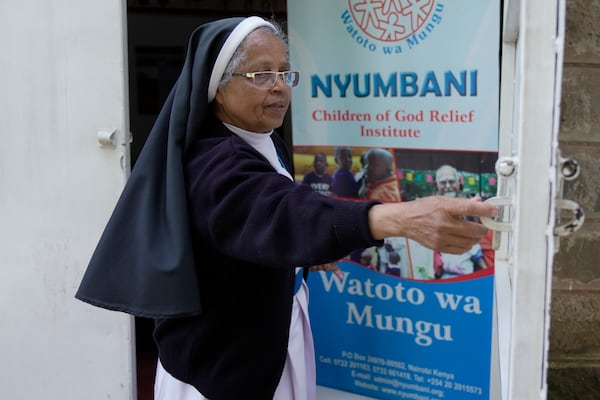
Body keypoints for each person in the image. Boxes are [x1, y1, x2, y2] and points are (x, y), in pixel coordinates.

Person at [75, 16, 497, 400]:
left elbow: (256, 231)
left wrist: (301, 262)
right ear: (217, 85)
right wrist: (400, 219)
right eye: (261, 74)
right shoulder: (212, 163)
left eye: (283, 72)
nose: (279, 86)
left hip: (264, 342)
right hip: (220, 370)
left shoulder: (260, 137)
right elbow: (280, 213)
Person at [432, 164, 488, 278]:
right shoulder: (430, 208)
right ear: (436, 185)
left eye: (452, 181)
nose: (448, 186)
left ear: (459, 182)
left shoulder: (470, 206)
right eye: (443, 182)